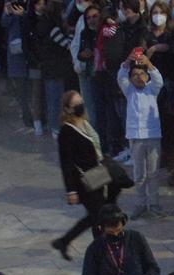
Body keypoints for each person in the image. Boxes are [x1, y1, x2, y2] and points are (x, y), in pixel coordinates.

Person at [53, 90, 123, 261]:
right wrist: (71, 190)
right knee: (98, 216)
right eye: (76, 104)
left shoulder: (84, 124)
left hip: (97, 174)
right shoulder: (67, 131)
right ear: (68, 109)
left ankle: (66, 242)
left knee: (99, 215)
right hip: (83, 181)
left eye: (81, 102)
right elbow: (66, 162)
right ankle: (100, 251)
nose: (80, 106)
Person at [117, 54, 164, 219]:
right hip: (135, 136)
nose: (138, 77)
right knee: (139, 174)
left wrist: (148, 63)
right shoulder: (129, 91)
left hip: (153, 135)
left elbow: (159, 79)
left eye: (142, 74)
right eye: (135, 75)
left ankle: (154, 204)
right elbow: (121, 76)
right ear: (131, 78)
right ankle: (141, 204)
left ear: (147, 76)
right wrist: (128, 60)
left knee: (153, 173)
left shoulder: (152, 89)